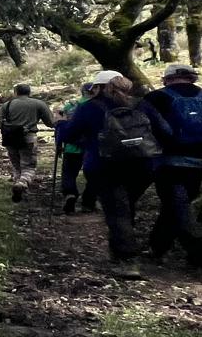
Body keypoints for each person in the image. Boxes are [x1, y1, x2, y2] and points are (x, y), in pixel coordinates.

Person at [64, 70, 172, 278]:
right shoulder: (142, 105)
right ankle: (120, 249)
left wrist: (61, 124)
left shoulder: (89, 108)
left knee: (117, 210)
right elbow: (165, 132)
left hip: (103, 167)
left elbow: (69, 135)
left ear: (99, 87)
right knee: (125, 205)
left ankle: (127, 260)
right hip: (142, 166)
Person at [144, 63, 202, 267]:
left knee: (175, 206)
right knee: (177, 205)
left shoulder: (155, 98)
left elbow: (144, 130)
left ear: (166, 79)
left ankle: (200, 255)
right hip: (198, 163)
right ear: (192, 78)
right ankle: (158, 248)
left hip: (166, 162)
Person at [0, 82, 55, 202]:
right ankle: (22, 183)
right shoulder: (38, 104)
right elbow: (50, 122)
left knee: (16, 166)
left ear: (16, 93)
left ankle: (20, 189)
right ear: (29, 92)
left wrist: (8, 128)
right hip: (28, 137)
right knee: (28, 166)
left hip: (10, 139)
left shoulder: (7, 105)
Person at [54, 85, 99, 214]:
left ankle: (70, 194)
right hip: (91, 147)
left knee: (69, 173)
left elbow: (61, 126)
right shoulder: (98, 106)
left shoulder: (71, 106)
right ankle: (88, 202)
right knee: (93, 175)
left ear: (82, 92)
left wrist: (59, 144)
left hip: (72, 146)